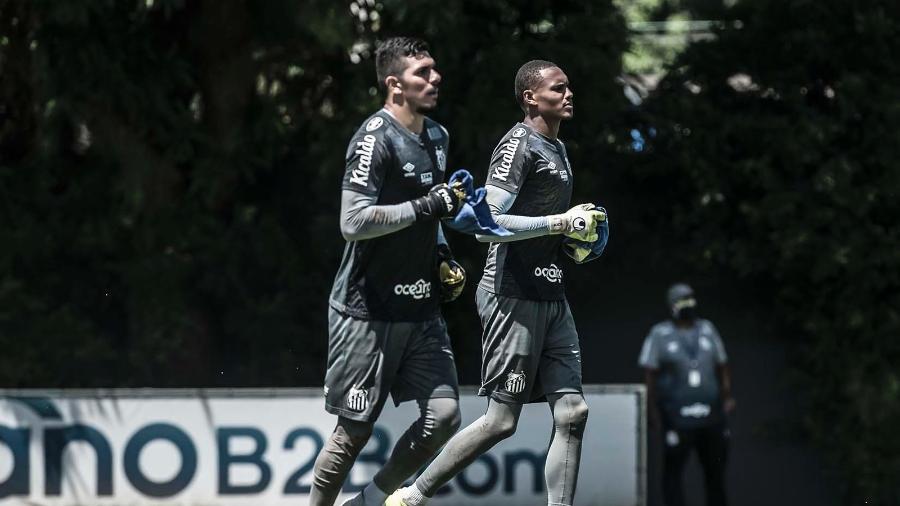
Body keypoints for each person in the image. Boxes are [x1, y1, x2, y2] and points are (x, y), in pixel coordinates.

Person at [387, 60, 606, 506]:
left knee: (573, 412)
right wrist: (559, 221)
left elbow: (546, 229)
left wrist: (571, 240)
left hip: (551, 291)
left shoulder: (558, 147)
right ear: (530, 97)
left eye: (569, 87)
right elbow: (488, 225)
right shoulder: (519, 145)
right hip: (511, 291)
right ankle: (412, 496)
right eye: (557, 88)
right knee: (502, 421)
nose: (569, 94)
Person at [309, 36, 469, 506]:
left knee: (444, 416)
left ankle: (368, 502)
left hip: (421, 309)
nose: (435, 78)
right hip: (366, 310)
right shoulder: (373, 139)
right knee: (353, 433)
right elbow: (353, 222)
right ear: (394, 84)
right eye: (423, 72)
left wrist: (441, 256)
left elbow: (434, 216)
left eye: (435, 70)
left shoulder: (437, 137)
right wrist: (424, 206)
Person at [638, 283, 736, 506]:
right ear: (672, 306)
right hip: (677, 417)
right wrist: (651, 410)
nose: (688, 305)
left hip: (711, 415)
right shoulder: (660, 334)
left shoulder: (708, 329)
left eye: (690, 299)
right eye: (682, 301)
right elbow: (650, 374)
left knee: (716, 473)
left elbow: (723, 365)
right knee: (673, 474)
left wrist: (727, 396)